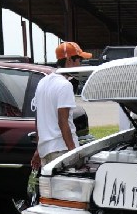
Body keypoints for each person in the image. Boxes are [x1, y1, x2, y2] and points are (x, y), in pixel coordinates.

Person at [30, 41, 92, 171]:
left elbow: (39, 120)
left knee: (51, 190)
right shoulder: (65, 85)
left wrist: (38, 149)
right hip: (61, 150)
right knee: (68, 190)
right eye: (79, 60)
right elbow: (62, 121)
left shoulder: (42, 82)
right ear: (69, 60)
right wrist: (73, 153)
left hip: (45, 151)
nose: (80, 64)